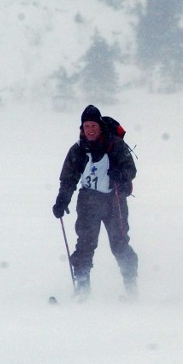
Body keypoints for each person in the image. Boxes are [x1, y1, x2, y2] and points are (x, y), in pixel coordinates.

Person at [52, 105, 138, 300]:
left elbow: (131, 169)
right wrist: (62, 200)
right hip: (88, 201)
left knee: (119, 244)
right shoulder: (78, 150)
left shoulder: (115, 145)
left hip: (114, 199)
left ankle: (131, 286)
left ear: (99, 126)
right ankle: (82, 288)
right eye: (86, 126)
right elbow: (68, 178)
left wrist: (120, 174)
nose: (90, 129)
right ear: (82, 128)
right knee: (85, 244)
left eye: (93, 125)